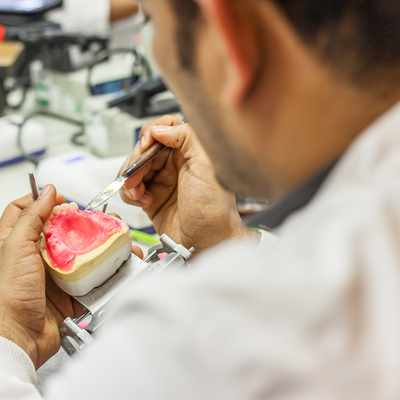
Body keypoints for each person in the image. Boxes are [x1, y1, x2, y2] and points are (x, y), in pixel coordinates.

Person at [1, 0, 400, 398]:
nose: (159, 55)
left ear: (231, 39)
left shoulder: (186, 349)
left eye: (153, 23)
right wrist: (227, 241)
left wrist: (11, 335)